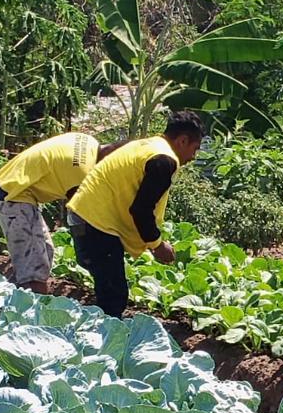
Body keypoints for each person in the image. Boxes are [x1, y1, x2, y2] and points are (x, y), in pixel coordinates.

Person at [66, 111, 205, 317]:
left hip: (85, 216)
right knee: (113, 297)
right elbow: (141, 209)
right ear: (183, 141)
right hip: (95, 222)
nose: (193, 157)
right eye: (195, 148)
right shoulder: (164, 160)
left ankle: (98, 329)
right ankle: (101, 334)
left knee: (109, 290)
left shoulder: (147, 145)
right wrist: (157, 245)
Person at [0, 132, 122, 293]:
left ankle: (25, 296)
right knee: (34, 269)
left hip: (17, 185)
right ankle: (29, 305)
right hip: (15, 195)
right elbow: (81, 213)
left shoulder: (88, 141)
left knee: (46, 252)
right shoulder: (82, 173)